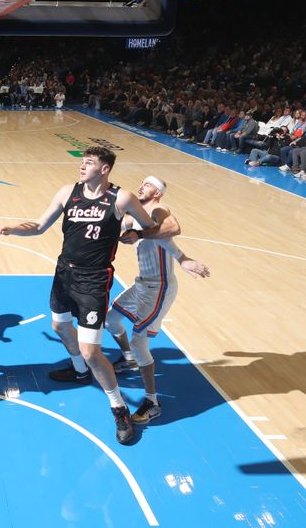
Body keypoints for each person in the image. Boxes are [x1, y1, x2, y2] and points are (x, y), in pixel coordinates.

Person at [0, 147, 180, 444]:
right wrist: (12, 227)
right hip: (64, 273)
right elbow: (39, 226)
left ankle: (118, 408)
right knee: (59, 326)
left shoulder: (122, 198)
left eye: (89, 162)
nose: (82, 166)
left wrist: (173, 254)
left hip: (94, 280)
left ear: (104, 169)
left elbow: (161, 228)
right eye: (82, 162)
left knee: (92, 351)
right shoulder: (68, 192)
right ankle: (80, 372)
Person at [105, 176, 210, 425]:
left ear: (158, 193)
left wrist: (183, 259)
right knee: (111, 320)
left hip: (160, 288)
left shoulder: (158, 210)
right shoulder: (136, 215)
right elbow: (158, 237)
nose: (142, 186)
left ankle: (152, 402)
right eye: (141, 183)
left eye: (149, 185)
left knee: (140, 341)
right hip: (142, 283)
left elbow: (172, 230)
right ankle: (128, 358)